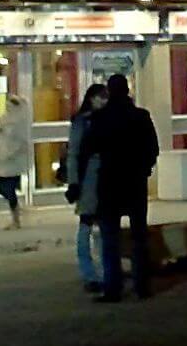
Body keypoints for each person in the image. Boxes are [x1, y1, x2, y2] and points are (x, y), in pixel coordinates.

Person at [74, 73, 158, 303]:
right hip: (135, 183)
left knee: (110, 237)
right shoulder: (140, 116)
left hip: (109, 183)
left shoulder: (101, 118)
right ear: (128, 90)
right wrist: (144, 169)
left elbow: (87, 149)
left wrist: (78, 181)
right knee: (139, 236)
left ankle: (113, 287)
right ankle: (142, 286)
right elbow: (153, 148)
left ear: (110, 92)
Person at [64, 83, 109, 292]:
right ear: (91, 98)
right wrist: (73, 182)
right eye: (100, 97)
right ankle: (89, 273)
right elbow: (73, 153)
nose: (103, 101)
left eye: (105, 97)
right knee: (86, 225)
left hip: (105, 180)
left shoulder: (107, 119)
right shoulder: (82, 121)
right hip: (88, 180)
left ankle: (104, 272)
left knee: (104, 228)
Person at [0, 94, 31, 229]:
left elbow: (19, 142)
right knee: (2, 187)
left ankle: (16, 218)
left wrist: (8, 153)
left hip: (12, 161)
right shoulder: (6, 118)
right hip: (4, 160)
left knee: (8, 189)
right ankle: (16, 212)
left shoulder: (20, 122)